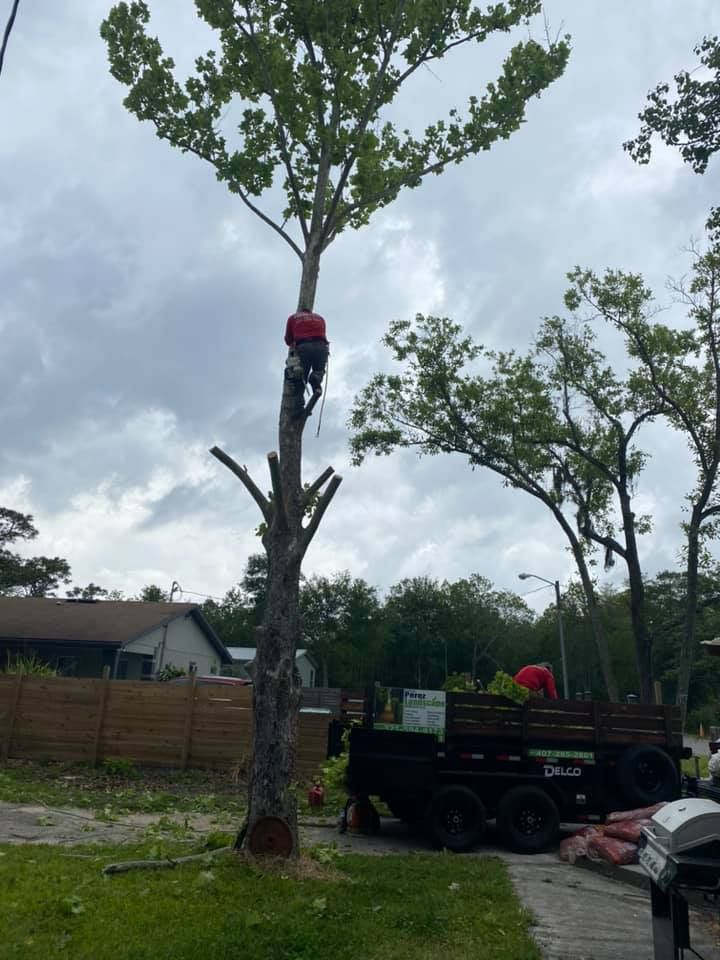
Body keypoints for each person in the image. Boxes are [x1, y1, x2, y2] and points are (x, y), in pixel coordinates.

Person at [284, 306, 329, 398]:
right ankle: (315, 380)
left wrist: (293, 343)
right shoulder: (320, 318)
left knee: (299, 379)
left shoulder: (293, 318)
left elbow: (288, 339)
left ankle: (298, 409)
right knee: (319, 371)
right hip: (321, 346)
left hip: (304, 346)